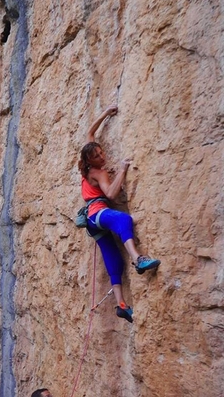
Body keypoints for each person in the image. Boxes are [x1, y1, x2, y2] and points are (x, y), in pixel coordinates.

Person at [78, 104, 161, 323]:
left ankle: (121, 304)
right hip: (98, 214)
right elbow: (111, 194)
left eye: (101, 152)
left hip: (91, 221)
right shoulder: (99, 172)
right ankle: (138, 259)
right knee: (123, 219)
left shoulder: (86, 166)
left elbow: (90, 133)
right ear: (90, 160)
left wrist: (105, 114)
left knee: (113, 259)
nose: (102, 156)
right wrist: (122, 170)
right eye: (97, 155)